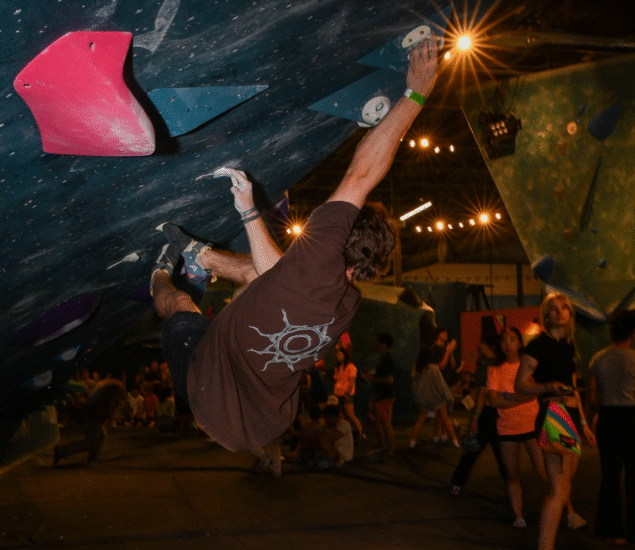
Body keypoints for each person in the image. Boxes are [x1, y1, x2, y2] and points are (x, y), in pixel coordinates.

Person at [149, 39, 439, 453]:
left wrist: (417, 93)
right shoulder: (347, 303)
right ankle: (203, 256)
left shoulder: (321, 257)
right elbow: (278, 276)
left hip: (210, 391)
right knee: (259, 275)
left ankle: (158, 271)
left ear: (346, 233)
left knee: (179, 306)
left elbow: (362, 174)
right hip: (265, 419)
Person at [515, 292, 596, 550]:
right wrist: (547, 386)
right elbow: (520, 384)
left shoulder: (567, 346)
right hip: (554, 414)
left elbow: (572, 385)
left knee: (562, 488)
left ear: (571, 315)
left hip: (569, 415)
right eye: (554, 308)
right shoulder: (538, 345)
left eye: (565, 308)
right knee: (560, 489)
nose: (559, 312)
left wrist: (583, 423)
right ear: (546, 315)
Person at [487, 327, 546, 527]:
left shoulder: (528, 366)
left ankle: (568, 508)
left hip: (532, 423)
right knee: (512, 474)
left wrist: (507, 396)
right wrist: (521, 398)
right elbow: (493, 401)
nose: (508, 344)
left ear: (520, 343)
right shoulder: (495, 369)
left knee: (544, 470)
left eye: (512, 339)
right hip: (507, 427)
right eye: (504, 341)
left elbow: (536, 392)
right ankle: (518, 515)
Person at [588, 309, 635, 545]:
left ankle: (612, 530)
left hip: (609, 417)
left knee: (610, 476)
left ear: (610, 331)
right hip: (633, 417)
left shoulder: (598, 359)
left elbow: (594, 397)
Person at [449, 337, 506, 496]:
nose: (478, 345)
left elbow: (482, 393)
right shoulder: (504, 363)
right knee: (503, 456)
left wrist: (475, 417)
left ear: (487, 345)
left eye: (481, 342)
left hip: (487, 414)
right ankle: (513, 488)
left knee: (472, 450)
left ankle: (456, 484)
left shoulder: (487, 365)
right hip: (502, 413)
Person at [53, 369, 126, 466]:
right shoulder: (117, 385)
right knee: (91, 442)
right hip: (94, 414)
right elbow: (111, 402)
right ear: (121, 377)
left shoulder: (104, 383)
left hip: (88, 411)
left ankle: (92, 461)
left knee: (100, 437)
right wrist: (111, 420)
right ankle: (62, 451)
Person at [409, 346, 459, 448]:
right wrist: (448, 397)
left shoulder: (418, 368)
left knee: (420, 420)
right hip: (436, 398)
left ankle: (412, 442)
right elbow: (440, 385)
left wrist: (416, 396)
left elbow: (414, 385)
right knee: (445, 419)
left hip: (424, 399)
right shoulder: (434, 368)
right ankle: (455, 441)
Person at [367, 333, 397, 454]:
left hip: (385, 397)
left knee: (385, 422)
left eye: (377, 341)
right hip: (380, 396)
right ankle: (384, 446)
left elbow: (390, 380)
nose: (375, 343)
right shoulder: (384, 358)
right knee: (376, 420)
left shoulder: (387, 359)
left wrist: (372, 378)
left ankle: (389, 449)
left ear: (384, 344)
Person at [333, 344, 363, 439]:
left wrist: (346, 393)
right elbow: (337, 379)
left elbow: (351, 382)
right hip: (338, 393)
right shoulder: (338, 367)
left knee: (350, 415)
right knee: (343, 416)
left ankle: (360, 434)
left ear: (345, 355)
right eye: (337, 354)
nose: (338, 356)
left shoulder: (351, 366)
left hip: (347, 394)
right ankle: (348, 435)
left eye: (340, 354)